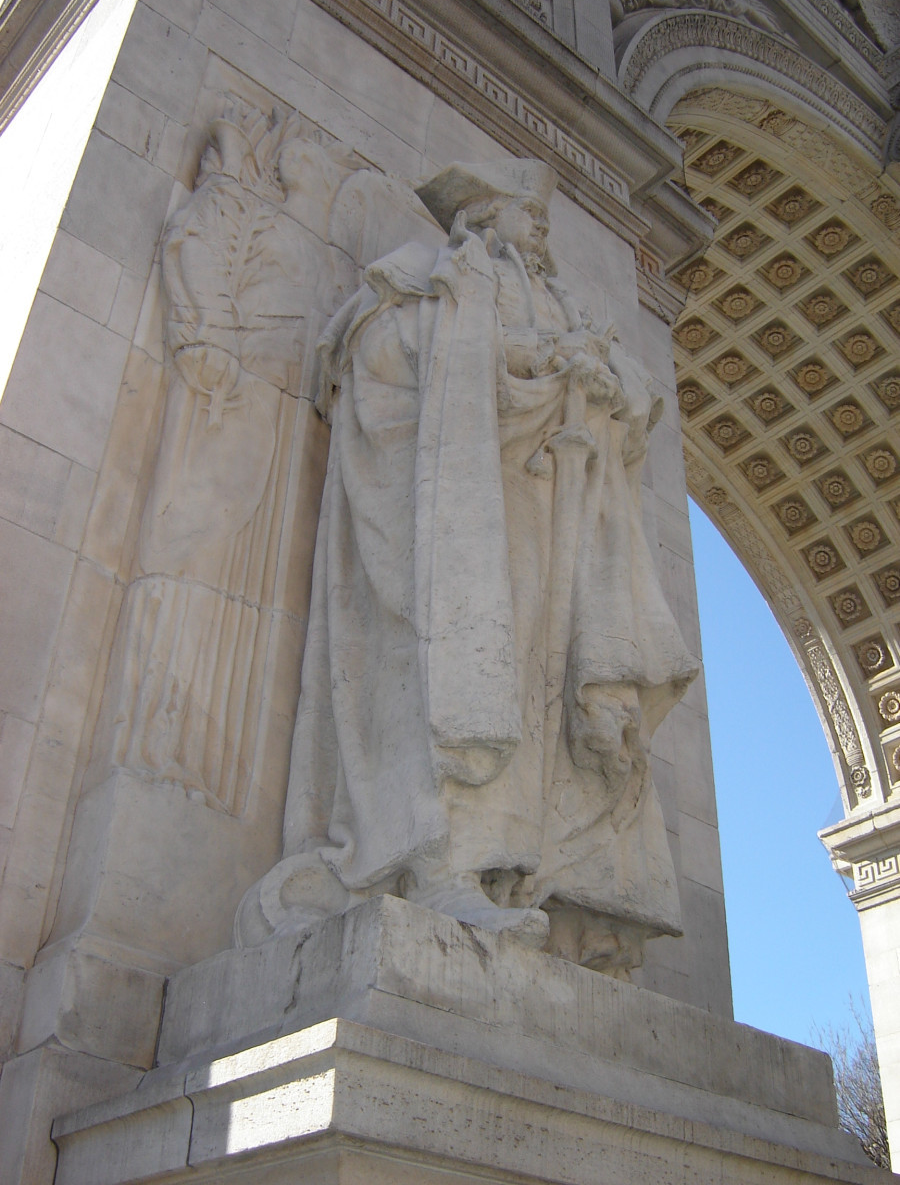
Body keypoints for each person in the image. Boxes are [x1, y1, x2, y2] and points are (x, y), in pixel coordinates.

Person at [237, 158, 698, 977]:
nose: (542, 230)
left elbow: (635, 406)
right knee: (455, 684)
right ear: (485, 212)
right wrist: (522, 364)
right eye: (530, 212)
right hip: (457, 523)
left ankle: (536, 879)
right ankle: (436, 865)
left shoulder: (559, 300)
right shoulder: (428, 277)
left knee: (537, 702)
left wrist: (593, 379)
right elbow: (370, 353)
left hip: (546, 526)